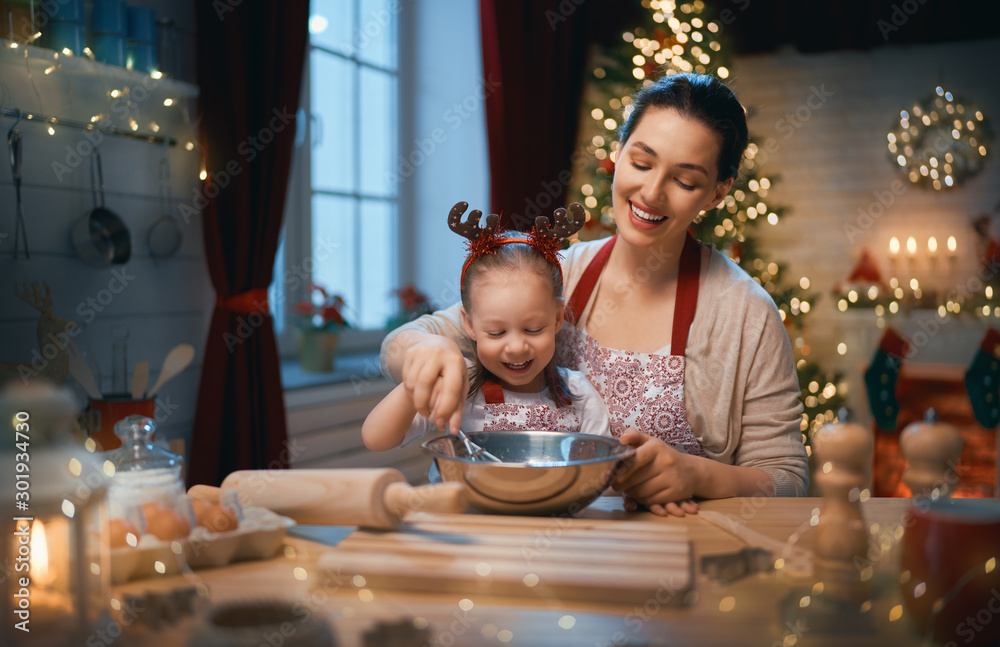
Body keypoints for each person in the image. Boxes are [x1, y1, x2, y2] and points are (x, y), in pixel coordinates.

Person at [380, 72, 808, 516]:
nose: (651, 192)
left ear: (718, 193)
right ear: (618, 154)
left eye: (684, 181)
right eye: (641, 163)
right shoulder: (556, 272)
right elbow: (404, 342)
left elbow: (787, 479)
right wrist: (427, 348)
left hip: (675, 557)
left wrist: (698, 475)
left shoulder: (746, 313)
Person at [363, 202, 611, 452]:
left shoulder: (578, 395)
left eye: (533, 329)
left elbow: (602, 467)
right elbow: (376, 438)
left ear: (558, 319)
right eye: (496, 333)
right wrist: (416, 383)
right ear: (468, 324)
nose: (516, 347)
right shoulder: (459, 383)